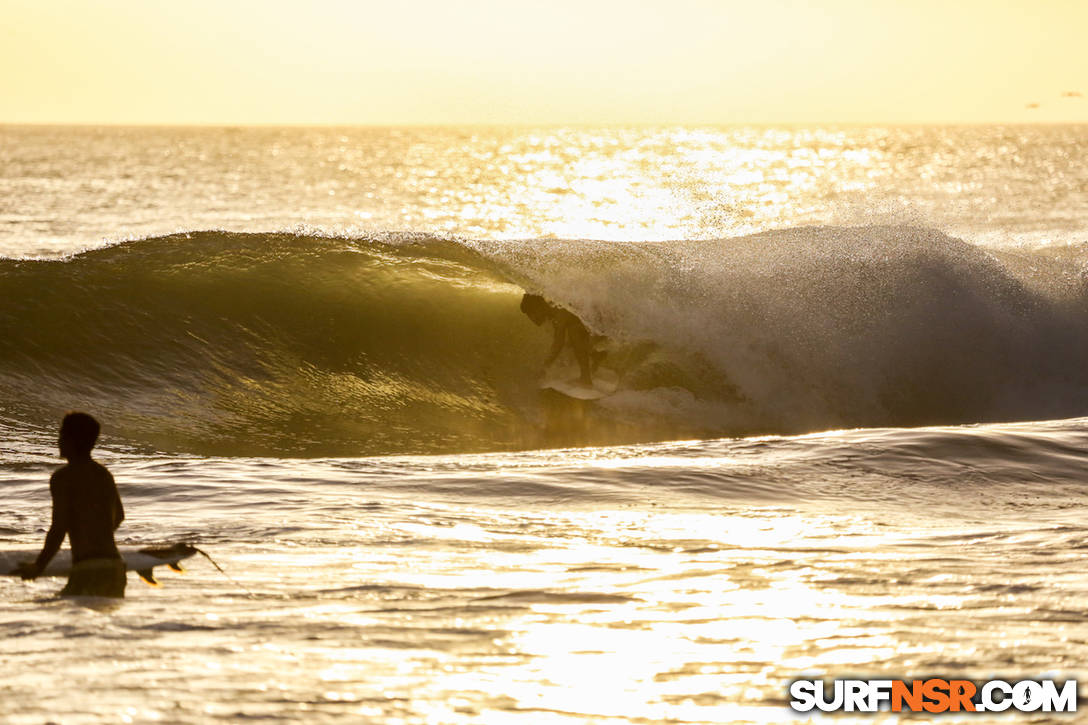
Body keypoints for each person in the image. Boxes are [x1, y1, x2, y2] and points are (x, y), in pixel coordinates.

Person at [17, 412, 126, 597]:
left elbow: (59, 528)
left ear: (72, 440)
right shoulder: (103, 474)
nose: (58, 440)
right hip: (114, 565)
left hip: (88, 568)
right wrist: (95, 536)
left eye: (61, 435)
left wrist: (39, 566)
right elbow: (120, 516)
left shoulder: (63, 477)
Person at [520, 293, 599, 386]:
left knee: (574, 333)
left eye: (531, 314)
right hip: (593, 320)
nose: (532, 319)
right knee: (571, 339)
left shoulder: (559, 313)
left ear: (539, 308)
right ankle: (595, 359)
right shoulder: (554, 310)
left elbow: (558, 344)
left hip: (601, 321)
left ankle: (586, 379)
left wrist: (545, 367)